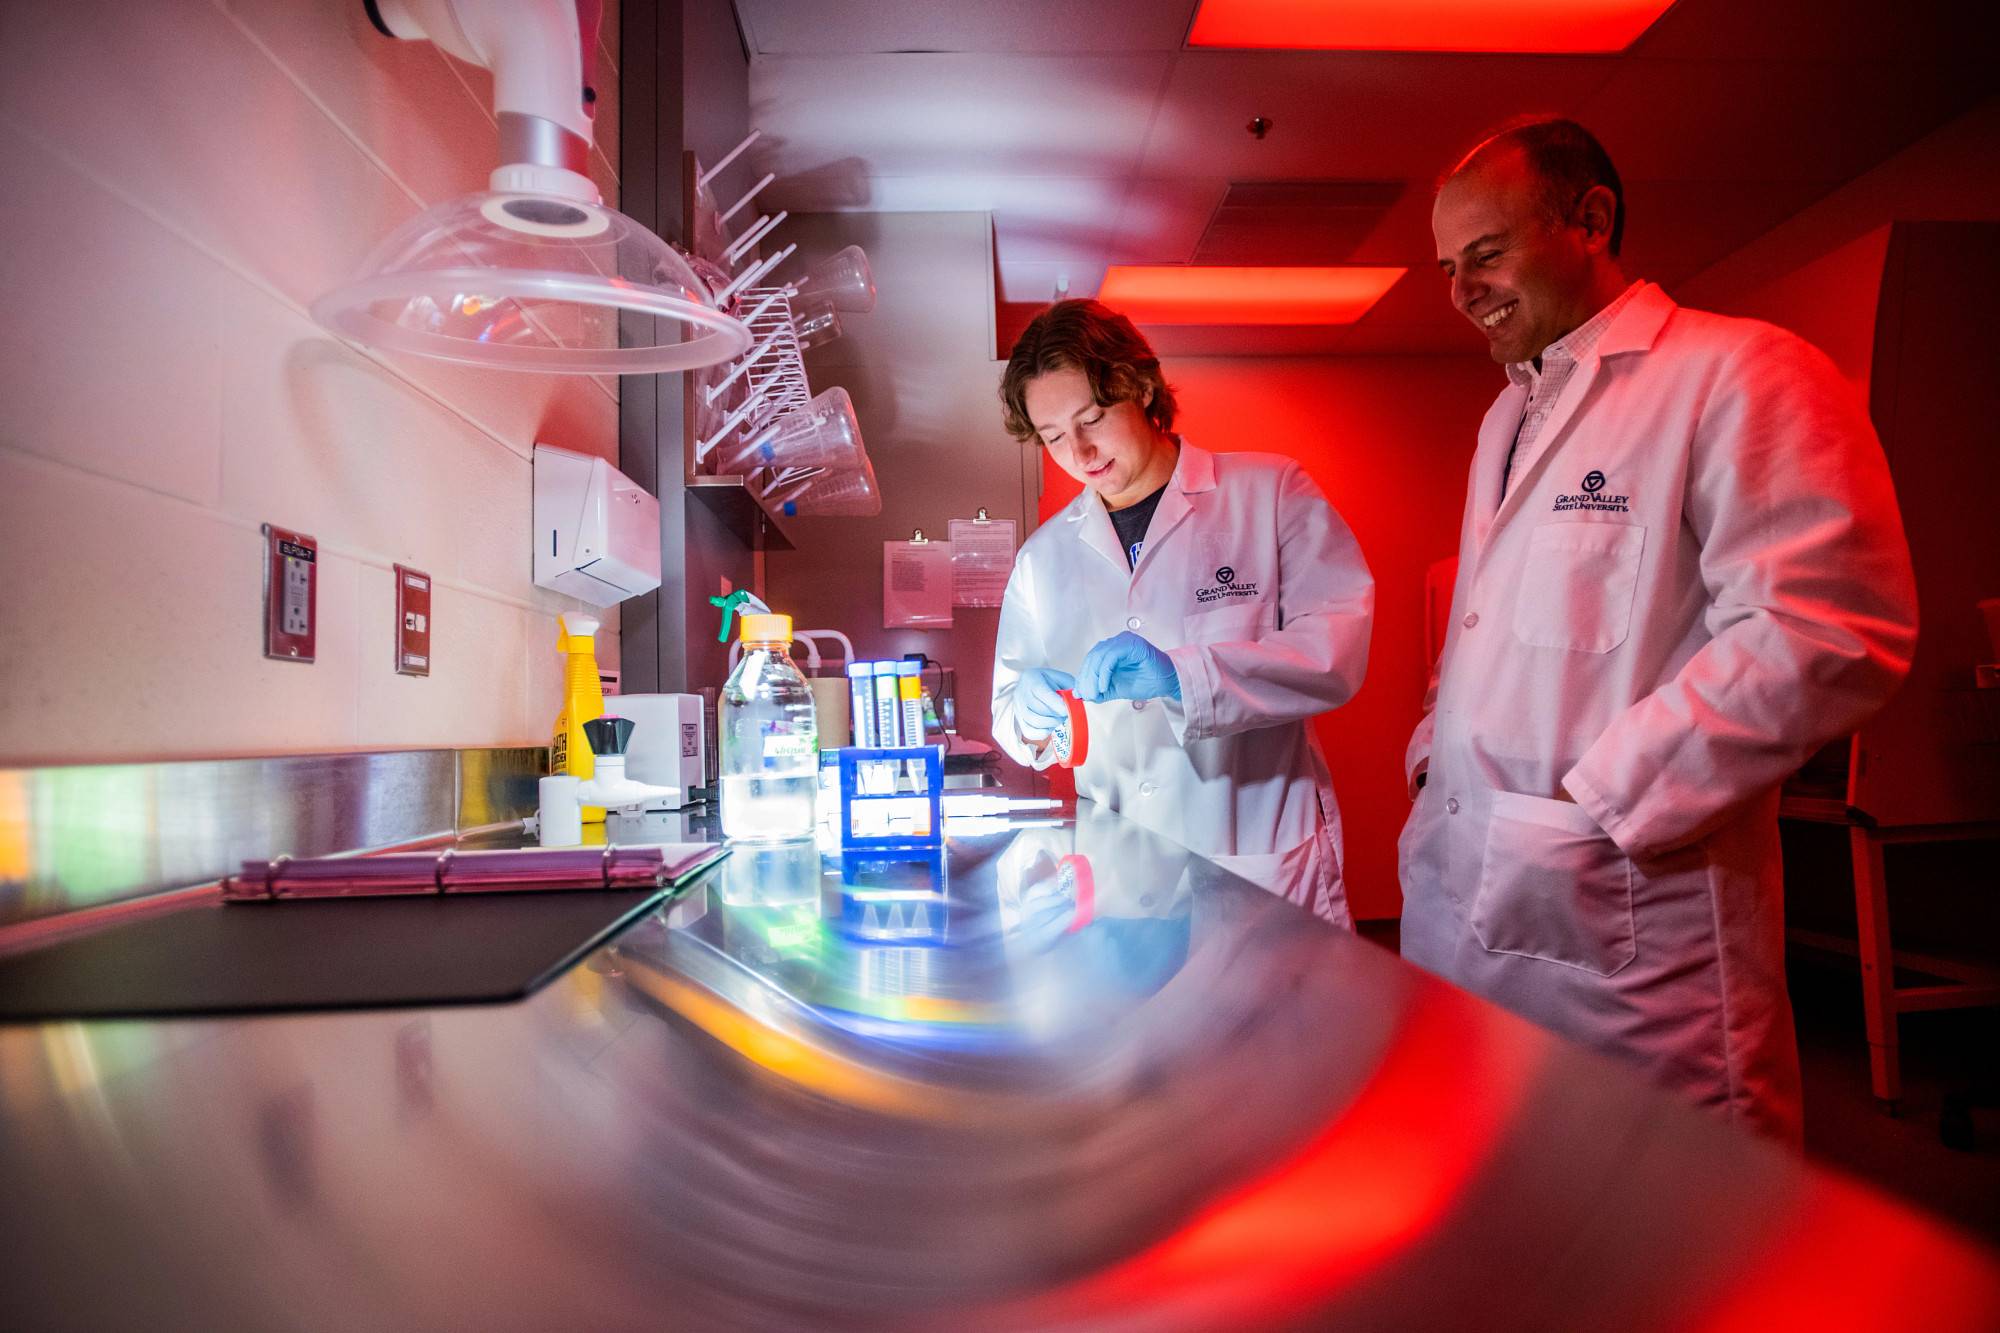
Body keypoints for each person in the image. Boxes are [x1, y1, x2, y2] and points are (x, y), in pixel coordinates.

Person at [1399, 118, 1917, 1142]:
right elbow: (1495, 631)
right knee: (1507, 1204)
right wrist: (1434, 747)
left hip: (1626, 906)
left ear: (1588, 220)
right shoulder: (1506, 419)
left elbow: (1828, 627)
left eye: (1487, 253)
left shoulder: (1737, 370)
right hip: (1471, 888)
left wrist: (1604, 798)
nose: (1460, 289)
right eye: (1447, 266)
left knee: (1669, 1241)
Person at [991, 300, 1374, 927]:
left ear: (1141, 386)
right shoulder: (1043, 558)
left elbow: (1336, 651)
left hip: (1253, 859)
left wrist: (1184, 676)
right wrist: (1027, 714)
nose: (1080, 451)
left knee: (1287, 1024)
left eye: (1092, 417)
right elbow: (1010, 713)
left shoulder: (1268, 493)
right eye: (1054, 436)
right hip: (1117, 878)